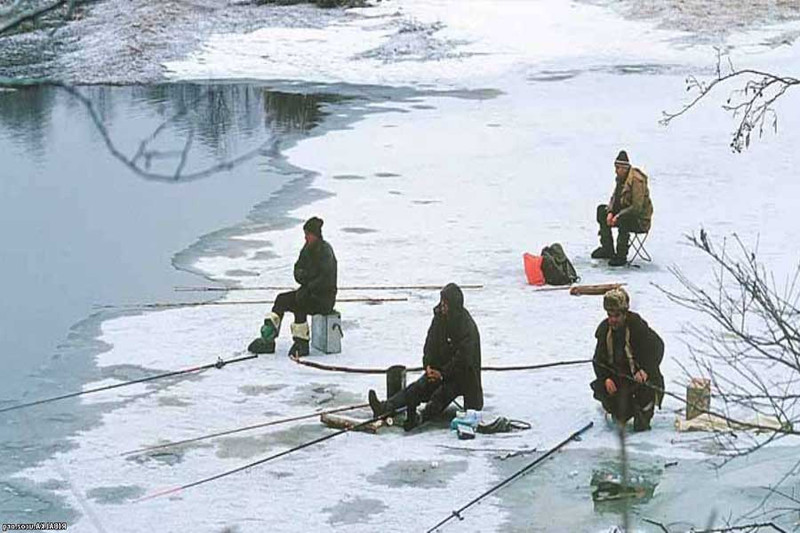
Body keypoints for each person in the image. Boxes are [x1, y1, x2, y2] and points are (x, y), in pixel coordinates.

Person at [368, 283, 483, 431]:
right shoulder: (439, 319)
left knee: (441, 395)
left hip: (462, 376)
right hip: (440, 369)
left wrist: (442, 374)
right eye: (442, 302)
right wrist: (428, 365)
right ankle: (384, 407)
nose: (442, 307)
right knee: (417, 387)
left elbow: (463, 361)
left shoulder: (468, 328)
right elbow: (430, 345)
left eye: (445, 304)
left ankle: (420, 417)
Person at [247, 217, 337, 357]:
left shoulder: (325, 251)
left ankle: (302, 343)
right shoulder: (306, 250)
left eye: (308, 234)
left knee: (301, 302)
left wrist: (308, 284)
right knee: (282, 299)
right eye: (305, 234)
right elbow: (298, 270)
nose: (306, 237)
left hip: (323, 299)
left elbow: (324, 279)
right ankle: (268, 340)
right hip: (307, 292)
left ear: (315, 235)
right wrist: (306, 279)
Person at [590, 288, 664, 431]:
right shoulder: (604, 330)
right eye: (609, 315)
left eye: (616, 315)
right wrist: (606, 378)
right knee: (617, 412)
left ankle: (644, 410)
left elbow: (658, 347)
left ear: (625, 313)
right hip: (619, 380)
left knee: (641, 423)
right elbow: (598, 360)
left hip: (641, 381)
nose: (613, 319)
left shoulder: (638, 327)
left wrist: (645, 370)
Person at [591, 150, 654, 266]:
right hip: (623, 213)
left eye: (618, 168)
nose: (615, 171)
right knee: (601, 210)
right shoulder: (621, 179)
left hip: (639, 219)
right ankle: (607, 248)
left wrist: (618, 216)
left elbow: (636, 208)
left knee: (624, 219)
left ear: (624, 168)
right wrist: (610, 212)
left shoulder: (637, 181)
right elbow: (614, 198)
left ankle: (621, 255)